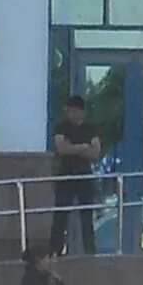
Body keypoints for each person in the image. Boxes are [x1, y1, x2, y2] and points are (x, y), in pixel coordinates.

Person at [50, 95, 101, 256]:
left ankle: (90, 252)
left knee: (86, 215)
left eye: (74, 111)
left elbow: (95, 152)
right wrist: (82, 148)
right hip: (65, 174)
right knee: (60, 215)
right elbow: (61, 149)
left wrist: (73, 147)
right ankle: (54, 251)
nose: (71, 114)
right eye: (69, 111)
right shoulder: (61, 127)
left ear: (82, 112)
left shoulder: (90, 129)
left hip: (84, 176)